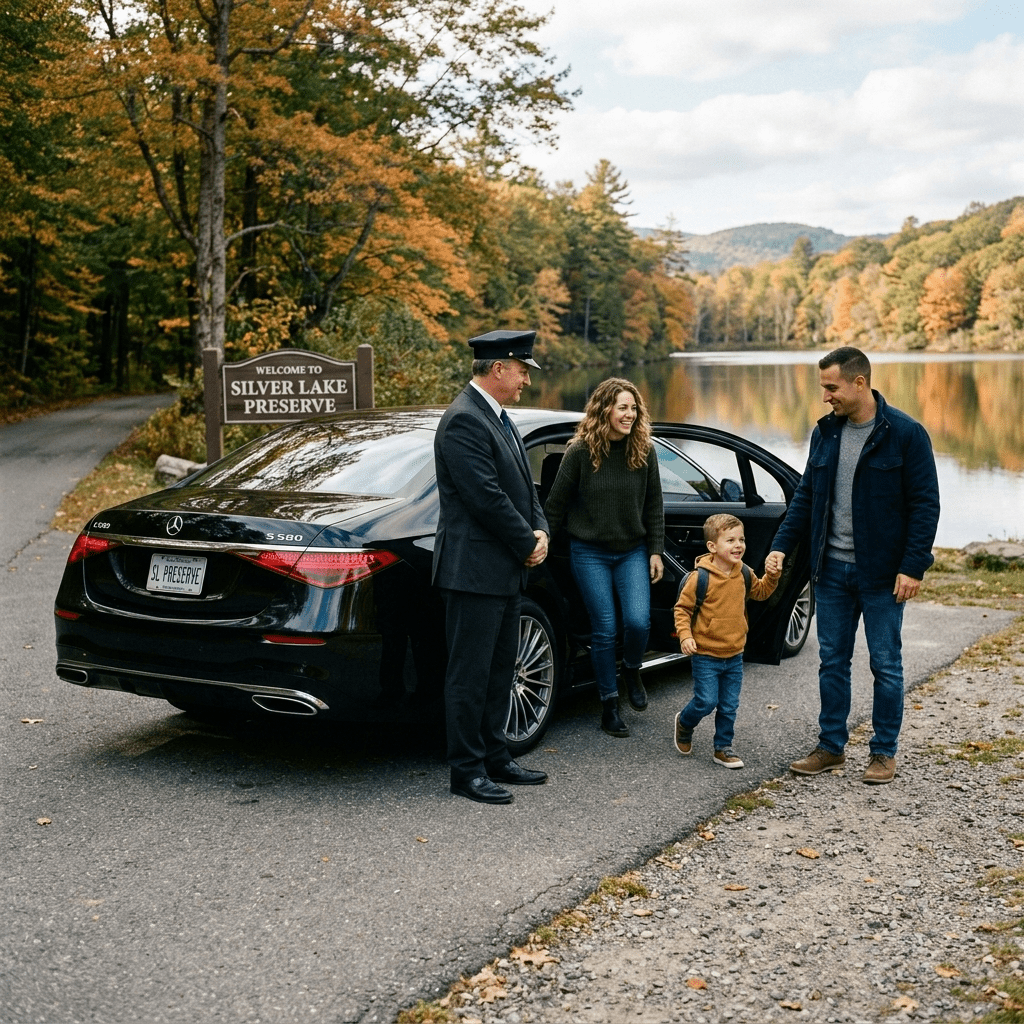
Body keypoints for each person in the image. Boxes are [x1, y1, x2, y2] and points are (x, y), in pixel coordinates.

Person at [766, 346, 940, 785]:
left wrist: (913, 566)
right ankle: (830, 747)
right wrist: (781, 546)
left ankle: (883, 753)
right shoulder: (825, 433)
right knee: (832, 662)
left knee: (885, 664)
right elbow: (806, 495)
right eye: (823, 387)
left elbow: (925, 506)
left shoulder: (905, 433)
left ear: (859, 382)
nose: (825, 396)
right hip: (832, 571)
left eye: (831, 387)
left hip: (882, 576)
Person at [432, 329, 550, 804]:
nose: (525, 380)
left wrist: (540, 530)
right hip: (473, 571)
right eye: (522, 370)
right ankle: (466, 771)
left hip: (503, 570)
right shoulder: (463, 420)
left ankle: (496, 757)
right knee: (470, 674)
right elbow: (486, 498)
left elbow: (525, 486)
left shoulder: (498, 417)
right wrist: (526, 542)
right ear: (498, 367)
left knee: (502, 669)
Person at [543, 378, 665, 738]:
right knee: (605, 628)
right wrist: (541, 545)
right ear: (604, 409)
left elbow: (654, 505)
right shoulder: (580, 451)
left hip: (632, 551)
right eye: (622, 407)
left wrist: (656, 551)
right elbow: (555, 506)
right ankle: (609, 704)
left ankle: (630, 668)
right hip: (590, 552)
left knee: (639, 623)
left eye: (633, 408)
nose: (629, 414)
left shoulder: (644, 450)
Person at [672, 513, 780, 768]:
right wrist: (685, 636)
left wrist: (772, 576)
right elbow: (682, 610)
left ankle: (723, 748)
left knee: (729, 705)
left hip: (734, 653)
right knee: (706, 701)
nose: (738, 545)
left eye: (741, 539)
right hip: (706, 653)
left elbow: (761, 592)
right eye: (730, 540)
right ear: (712, 546)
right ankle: (685, 722)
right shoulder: (701, 578)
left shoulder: (743, 572)